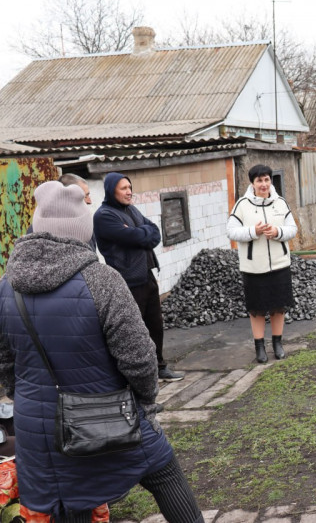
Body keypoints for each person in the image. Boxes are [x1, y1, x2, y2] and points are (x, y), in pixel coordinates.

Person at [0, 181, 203, 522]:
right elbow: (139, 358)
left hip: (38, 433)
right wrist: (146, 400)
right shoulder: (102, 280)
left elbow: (5, 364)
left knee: (69, 503)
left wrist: (28, 398)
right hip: (105, 418)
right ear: (83, 228)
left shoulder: (7, 286)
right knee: (163, 471)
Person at [93, 173, 184, 383]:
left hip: (147, 275)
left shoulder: (131, 209)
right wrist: (139, 233)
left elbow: (154, 233)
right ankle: (139, 376)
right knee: (135, 331)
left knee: (155, 325)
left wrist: (138, 232)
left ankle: (160, 366)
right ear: (111, 191)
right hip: (128, 280)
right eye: (124, 188)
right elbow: (134, 237)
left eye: (130, 187)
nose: (129, 192)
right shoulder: (104, 216)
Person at [227, 164, 298, 363]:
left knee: (278, 307)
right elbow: (231, 232)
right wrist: (253, 232)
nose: (264, 184)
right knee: (257, 308)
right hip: (253, 267)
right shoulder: (242, 205)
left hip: (279, 265)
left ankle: (277, 343)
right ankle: (259, 346)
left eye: (267, 179)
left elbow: (292, 229)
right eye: (260, 180)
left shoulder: (280, 203)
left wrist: (278, 232)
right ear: (252, 183)